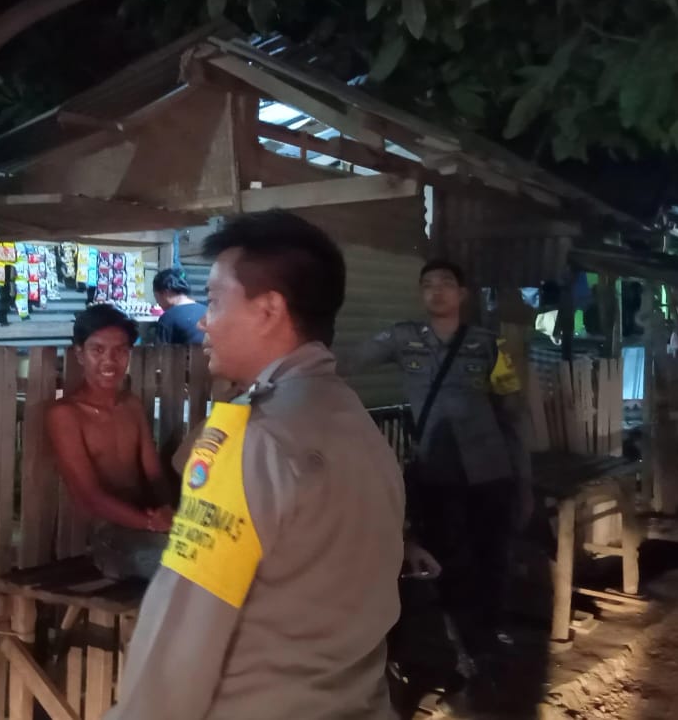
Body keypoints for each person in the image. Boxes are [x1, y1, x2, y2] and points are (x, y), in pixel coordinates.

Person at [108, 210, 405, 720]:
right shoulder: (356, 424)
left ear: (268, 310)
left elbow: (179, 643)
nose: (204, 320)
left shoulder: (250, 439)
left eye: (215, 300)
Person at [346, 258, 532, 697]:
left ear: (462, 294)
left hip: (489, 468)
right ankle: (457, 645)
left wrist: (522, 473)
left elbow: (512, 408)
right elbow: (347, 361)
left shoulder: (489, 345)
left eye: (446, 283)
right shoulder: (403, 338)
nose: (436, 291)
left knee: (492, 555)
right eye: (427, 284)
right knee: (444, 557)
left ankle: (488, 637)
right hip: (437, 469)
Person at [45, 305, 174, 579]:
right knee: (183, 569)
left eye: (120, 350)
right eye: (98, 350)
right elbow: (90, 497)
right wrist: (151, 523)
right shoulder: (65, 414)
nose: (109, 360)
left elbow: (154, 475)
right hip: (107, 537)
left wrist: (166, 510)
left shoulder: (131, 405)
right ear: (80, 354)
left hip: (151, 523)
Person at [152, 268, 206, 345]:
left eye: (156, 296)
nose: (157, 302)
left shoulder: (168, 318)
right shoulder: (206, 311)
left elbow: (160, 351)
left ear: (166, 292)